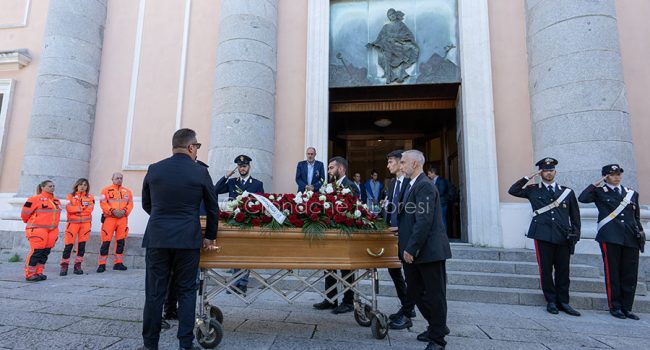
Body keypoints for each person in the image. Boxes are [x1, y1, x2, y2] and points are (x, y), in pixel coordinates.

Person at [139, 128, 219, 350]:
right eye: (197, 148)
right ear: (191, 147)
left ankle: (150, 345)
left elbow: (147, 204)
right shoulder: (199, 172)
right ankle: (185, 344)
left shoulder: (155, 169)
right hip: (187, 239)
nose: (196, 153)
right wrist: (210, 236)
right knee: (186, 291)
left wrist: (162, 221)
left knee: (154, 292)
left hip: (157, 238)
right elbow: (213, 208)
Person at [508, 157, 582, 316]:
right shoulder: (533, 189)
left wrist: (576, 233)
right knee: (546, 270)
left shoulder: (566, 192)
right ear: (541, 172)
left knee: (563, 270)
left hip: (563, 236)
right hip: (542, 235)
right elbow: (513, 190)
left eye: (551, 170)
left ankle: (564, 301)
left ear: (555, 171)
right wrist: (528, 177)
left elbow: (575, 215)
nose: (548, 173)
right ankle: (551, 301)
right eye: (545, 170)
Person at [398, 150, 451, 350]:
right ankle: (437, 327)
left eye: (403, 162)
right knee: (417, 293)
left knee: (435, 295)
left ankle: (437, 339)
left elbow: (424, 219)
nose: (400, 166)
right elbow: (409, 217)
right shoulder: (411, 185)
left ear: (415, 163)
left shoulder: (425, 186)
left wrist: (411, 248)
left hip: (428, 251)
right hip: (414, 250)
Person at [579, 164, 645, 320]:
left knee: (630, 274)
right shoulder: (599, 192)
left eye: (619, 174)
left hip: (630, 238)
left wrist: (640, 235)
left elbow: (636, 217)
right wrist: (595, 184)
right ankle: (615, 306)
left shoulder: (631, 193)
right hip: (610, 237)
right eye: (612, 174)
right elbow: (583, 198)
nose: (617, 176)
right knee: (612, 273)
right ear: (605, 176)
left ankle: (627, 307)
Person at [313, 156, 359, 314]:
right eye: (328, 168)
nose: (328, 171)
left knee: (346, 269)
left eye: (331, 168)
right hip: (330, 233)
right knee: (329, 266)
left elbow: (354, 211)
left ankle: (348, 301)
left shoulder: (351, 186)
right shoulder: (328, 187)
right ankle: (331, 299)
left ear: (341, 169)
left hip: (345, 234)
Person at [215, 154, 264, 295]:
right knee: (236, 251)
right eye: (240, 166)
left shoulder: (257, 184)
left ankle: (242, 283)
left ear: (249, 167)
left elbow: (262, 202)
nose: (242, 168)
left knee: (245, 252)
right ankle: (236, 282)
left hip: (248, 222)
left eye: (244, 166)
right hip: (233, 222)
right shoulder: (232, 182)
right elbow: (215, 190)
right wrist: (226, 176)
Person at [383, 150, 416, 330]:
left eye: (390, 162)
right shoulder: (393, 183)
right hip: (392, 235)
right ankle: (407, 307)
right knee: (394, 271)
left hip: (406, 235)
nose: (388, 165)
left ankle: (408, 310)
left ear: (399, 163)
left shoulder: (410, 184)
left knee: (410, 275)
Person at [21, 180, 62, 282]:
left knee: (45, 252)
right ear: (42, 187)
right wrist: (30, 223)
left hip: (52, 230)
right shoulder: (34, 199)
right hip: (38, 229)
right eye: (49, 186)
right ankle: (30, 274)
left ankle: (39, 272)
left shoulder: (56, 201)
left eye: (53, 186)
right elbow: (24, 214)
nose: (52, 188)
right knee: (37, 251)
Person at [97, 172, 133, 272]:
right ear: (112, 179)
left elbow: (130, 205)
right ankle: (102, 264)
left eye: (121, 178)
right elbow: (103, 204)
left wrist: (124, 212)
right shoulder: (105, 190)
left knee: (120, 242)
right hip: (109, 219)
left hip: (122, 219)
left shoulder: (128, 192)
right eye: (117, 178)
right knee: (106, 241)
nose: (119, 180)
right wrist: (112, 211)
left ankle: (118, 263)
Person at [60, 178, 94, 276]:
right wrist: (81, 208)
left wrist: (76, 209)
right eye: (81, 184)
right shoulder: (70, 196)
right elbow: (68, 208)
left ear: (87, 187)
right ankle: (64, 266)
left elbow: (90, 209)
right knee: (68, 245)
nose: (83, 186)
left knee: (82, 246)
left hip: (85, 225)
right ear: (77, 186)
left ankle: (77, 265)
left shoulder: (90, 197)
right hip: (72, 224)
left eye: (85, 185)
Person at [425, 164, 450, 229]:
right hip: (436, 204)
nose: (428, 175)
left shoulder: (441, 180)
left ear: (433, 173)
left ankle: (444, 237)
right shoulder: (432, 181)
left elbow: (440, 192)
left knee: (442, 220)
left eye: (429, 174)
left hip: (442, 203)